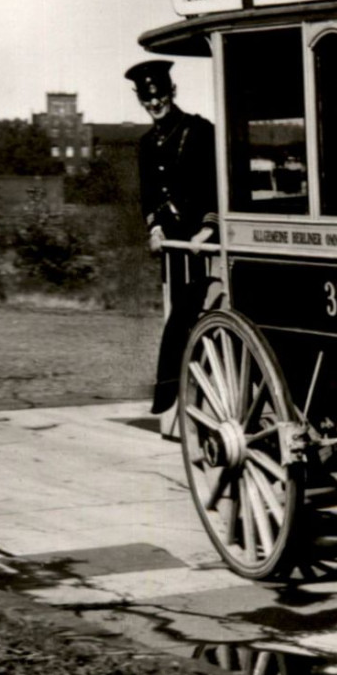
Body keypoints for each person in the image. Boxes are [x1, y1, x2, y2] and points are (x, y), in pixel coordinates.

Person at [125, 60, 218, 414]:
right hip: (173, 247)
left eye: (160, 96)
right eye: (147, 100)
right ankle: (182, 392)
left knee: (194, 317)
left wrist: (208, 228)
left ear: (172, 92)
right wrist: (155, 227)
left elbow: (214, 184)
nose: (154, 104)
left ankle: (175, 389)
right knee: (179, 317)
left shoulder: (198, 131)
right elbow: (149, 195)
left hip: (201, 243)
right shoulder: (147, 144)